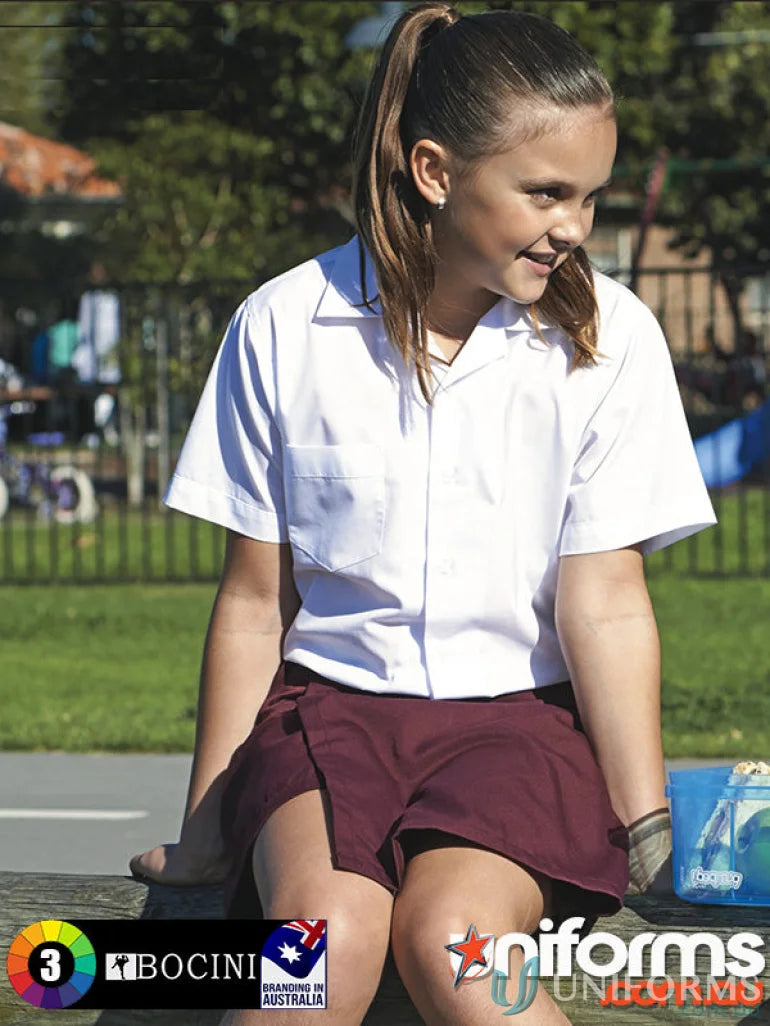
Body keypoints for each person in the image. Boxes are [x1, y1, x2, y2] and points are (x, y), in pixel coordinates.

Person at [131, 5, 716, 1024]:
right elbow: (255, 604)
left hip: (520, 730)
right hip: (328, 720)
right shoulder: (281, 325)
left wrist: (648, 825)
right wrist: (206, 834)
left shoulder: (610, 337)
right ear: (435, 171)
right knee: (318, 942)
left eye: (590, 196)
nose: (574, 227)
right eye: (545, 193)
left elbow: (607, 603)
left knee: (460, 949)